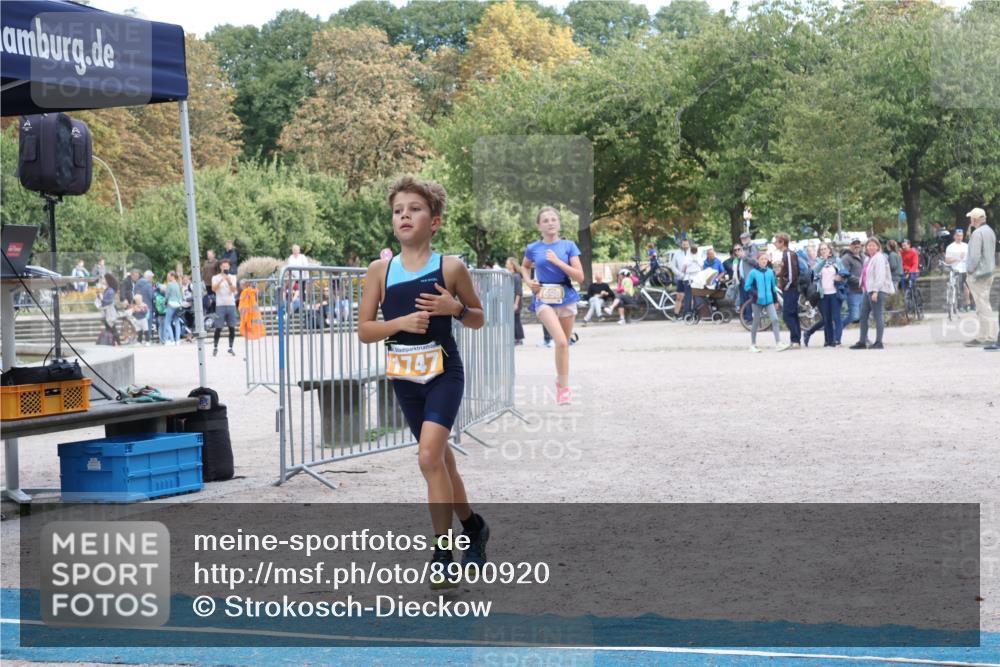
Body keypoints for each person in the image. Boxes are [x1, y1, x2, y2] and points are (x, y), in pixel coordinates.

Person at [357, 175, 488, 589]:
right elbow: (364, 329)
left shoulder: (450, 266)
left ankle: (443, 553)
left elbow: (479, 318)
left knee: (429, 458)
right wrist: (397, 323)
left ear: (434, 221)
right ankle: (474, 527)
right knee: (441, 462)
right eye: (398, 211)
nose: (405, 216)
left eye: (414, 209)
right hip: (405, 378)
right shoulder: (381, 270)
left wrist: (455, 307)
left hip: (443, 372)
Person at [521, 207, 584, 404]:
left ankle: (560, 380)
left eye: (553, 219)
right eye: (546, 220)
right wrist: (528, 281)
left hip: (566, 296)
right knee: (562, 342)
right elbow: (524, 266)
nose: (550, 223)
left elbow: (579, 276)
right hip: (543, 297)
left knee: (563, 344)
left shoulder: (569, 246)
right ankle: (564, 389)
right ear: (539, 225)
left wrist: (558, 262)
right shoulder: (533, 248)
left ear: (559, 223)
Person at [850, 238, 895, 350]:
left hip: (877, 291)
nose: (870, 247)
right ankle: (862, 341)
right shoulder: (868, 259)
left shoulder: (879, 258)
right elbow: (864, 275)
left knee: (878, 315)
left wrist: (876, 290)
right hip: (867, 290)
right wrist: (862, 285)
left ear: (878, 247)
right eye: (869, 246)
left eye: (873, 245)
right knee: (863, 315)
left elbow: (880, 275)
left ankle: (879, 342)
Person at [964, 208, 998, 347]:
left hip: (979, 275)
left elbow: (974, 256)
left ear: (975, 219)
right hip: (988, 272)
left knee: (983, 306)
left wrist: (969, 271)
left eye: (971, 218)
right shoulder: (990, 231)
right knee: (982, 305)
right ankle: (983, 335)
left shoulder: (977, 233)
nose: (970, 220)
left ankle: (989, 336)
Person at [805, 242, 847, 347]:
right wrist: (824, 261)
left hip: (835, 293)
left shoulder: (837, 260)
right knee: (827, 318)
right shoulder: (818, 261)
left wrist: (840, 277)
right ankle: (830, 341)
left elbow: (845, 274)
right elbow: (814, 271)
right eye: (822, 249)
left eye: (825, 249)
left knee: (836, 317)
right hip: (823, 294)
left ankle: (838, 340)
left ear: (829, 250)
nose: (824, 251)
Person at [744, 251, 787, 352]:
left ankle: (778, 343)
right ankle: (753, 345)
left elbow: (773, 288)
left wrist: (776, 301)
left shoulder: (770, 272)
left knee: (775, 319)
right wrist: (756, 294)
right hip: (757, 301)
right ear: (758, 260)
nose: (764, 261)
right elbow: (747, 287)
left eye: (765, 259)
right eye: (762, 259)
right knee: (756, 321)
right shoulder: (753, 273)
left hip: (769, 300)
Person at [774, 234, 801, 348]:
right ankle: (795, 340)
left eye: (777, 241)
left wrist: (786, 286)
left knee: (787, 315)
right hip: (790, 288)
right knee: (793, 314)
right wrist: (779, 273)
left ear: (782, 242)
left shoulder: (789, 254)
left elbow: (792, 273)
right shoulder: (785, 254)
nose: (775, 244)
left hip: (791, 288)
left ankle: (795, 339)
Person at [211, 259, 239, 356]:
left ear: (229, 267)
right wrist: (221, 280)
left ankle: (230, 347)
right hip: (220, 305)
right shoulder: (215, 277)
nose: (225, 268)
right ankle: (215, 347)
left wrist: (229, 281)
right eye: (224, 266)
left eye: (227, 266)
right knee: (218, 327)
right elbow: (213, 289)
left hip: (231, 304)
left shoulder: (233, 277)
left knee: (232, 327)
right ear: (220, 267)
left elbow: (234, 290)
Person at [840, 239, 864, 332]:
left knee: (863, 316)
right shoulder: (846, 258)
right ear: (850, 246)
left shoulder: (863, 257)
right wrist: (860, 281)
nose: (856, 246)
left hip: (863, 291)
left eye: (858, 244)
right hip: (852, 292)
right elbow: (845, 274)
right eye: (854, 244)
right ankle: (837, 330)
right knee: (854, 316)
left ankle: (864, 338)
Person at [944, 228, 970, 312]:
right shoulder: (950, 247)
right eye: (958, 236)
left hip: (965, 270)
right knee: (958, 289)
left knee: (967, 288)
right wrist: (957, 258)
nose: (959, 237)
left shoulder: (966, 246)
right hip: (955, 270)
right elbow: (947, 260)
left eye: (961, 236)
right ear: (954, 236)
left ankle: (968, 304)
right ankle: (959, 305)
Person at [671, 239, 695, 317]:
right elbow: (673, 266)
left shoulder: (692, 253)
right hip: (681, 278)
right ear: (681, 245)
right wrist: (679, 274)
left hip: (690, 278)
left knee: (690, 297)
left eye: (686, 244)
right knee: (679, 297)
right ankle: (676, 314)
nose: (685, 246)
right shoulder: (677, 254)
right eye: (684, 244)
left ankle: (690, 314)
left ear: (689, 244)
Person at [505, 257, 525, 344]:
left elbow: (518, 291)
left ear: (512, 264)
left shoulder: (516, 276)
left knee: (516, 320)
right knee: (513, 320)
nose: (506, 264)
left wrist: (516, 304)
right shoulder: (510, 275)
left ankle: (519, 339)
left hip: (515, 302)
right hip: (510, 301)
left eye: (507, 263)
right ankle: (515, 338)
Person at [98, 273, 121, 346]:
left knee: (112, 328)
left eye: (103, 279)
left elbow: (108, 301)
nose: (102, 280)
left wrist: (101, 298)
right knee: (110, 328)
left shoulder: (110, 290)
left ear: (107, 280)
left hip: (109, 313)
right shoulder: (108, 289)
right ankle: (113, 342)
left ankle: (117, 343)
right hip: (107, 312)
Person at [163, 271, 183, 345]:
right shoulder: (178, 284)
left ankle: (172, 340)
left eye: (168, 275)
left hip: (171, 304)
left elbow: (167, 295)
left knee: (167, 322)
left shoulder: (169, 284)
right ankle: (178, 340)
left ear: (172, 276)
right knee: (177, 322)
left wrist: (164, 302)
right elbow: (180, 295)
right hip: (178, 305)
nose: (168, 277)